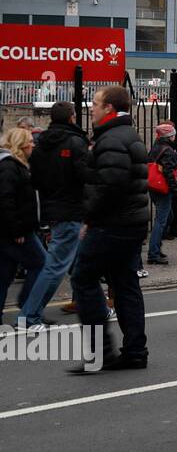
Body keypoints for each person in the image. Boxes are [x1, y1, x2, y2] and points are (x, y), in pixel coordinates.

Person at [68, 85, 150, 371]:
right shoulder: (124, 134)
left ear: (109, 109)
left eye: (96, 103)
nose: (91, 107)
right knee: (125, 283)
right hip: (131, 222)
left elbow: (110, 186)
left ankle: (101, 351)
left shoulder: (113, 138)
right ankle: (135, 351)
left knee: (83, 278)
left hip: (112, 223)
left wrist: (89, 219)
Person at [22, 101, 89, 329]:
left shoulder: (41, 145)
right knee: (55, 265)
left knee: (76, 262)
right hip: (71, 210)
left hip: (52, 208)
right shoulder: (76, 142)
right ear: (72, 117)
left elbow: (36, 179)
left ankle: (89, 305)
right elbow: (85, 176)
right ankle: (29, 316)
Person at [0, 127, 45, 326]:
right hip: (17, 231)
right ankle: (28, 307)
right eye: (30, 141)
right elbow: (6, 201)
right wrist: (16, 230)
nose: (33, 144)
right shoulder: (9, 167)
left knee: (4, 274)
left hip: (15, 229)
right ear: (21, 144)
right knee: (41, 264)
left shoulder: (17, 165)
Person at [145, 122, 177, 265]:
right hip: (163, 188)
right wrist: (174, 188)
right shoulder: (167, 150)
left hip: (154, 187)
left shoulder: (156, 147)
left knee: (166, 217)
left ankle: (156, 248)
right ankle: (153, 253)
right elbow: (168, 172)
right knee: (161, 221)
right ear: (171, 136)